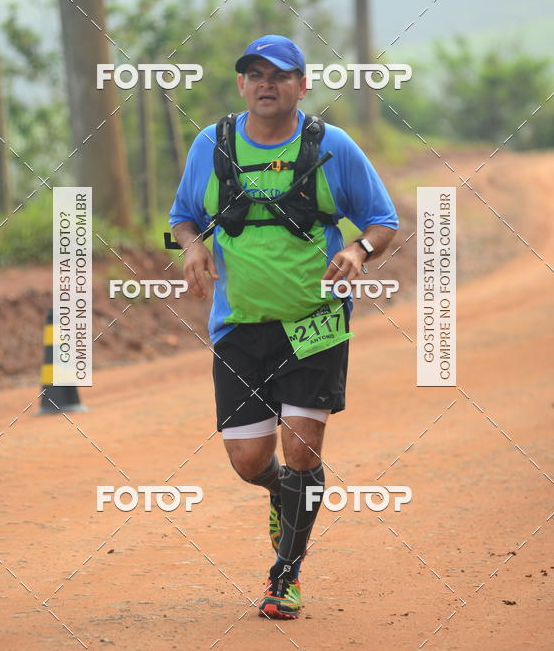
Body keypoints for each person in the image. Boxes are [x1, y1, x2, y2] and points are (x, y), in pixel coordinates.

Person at [169, 34, 398, 619]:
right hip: (239, 327)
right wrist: (193, 247)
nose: (266, 84)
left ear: (303, 84)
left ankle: (285, 576)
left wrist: (358, 252)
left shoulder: (331, 147)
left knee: (301, 446)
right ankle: (284, 494)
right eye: (254, 74)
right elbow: (184, 218)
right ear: (242, 84)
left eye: (280, 74)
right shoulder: (212, 145)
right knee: (250, 460)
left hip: (314, 321)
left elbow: (381, 222)